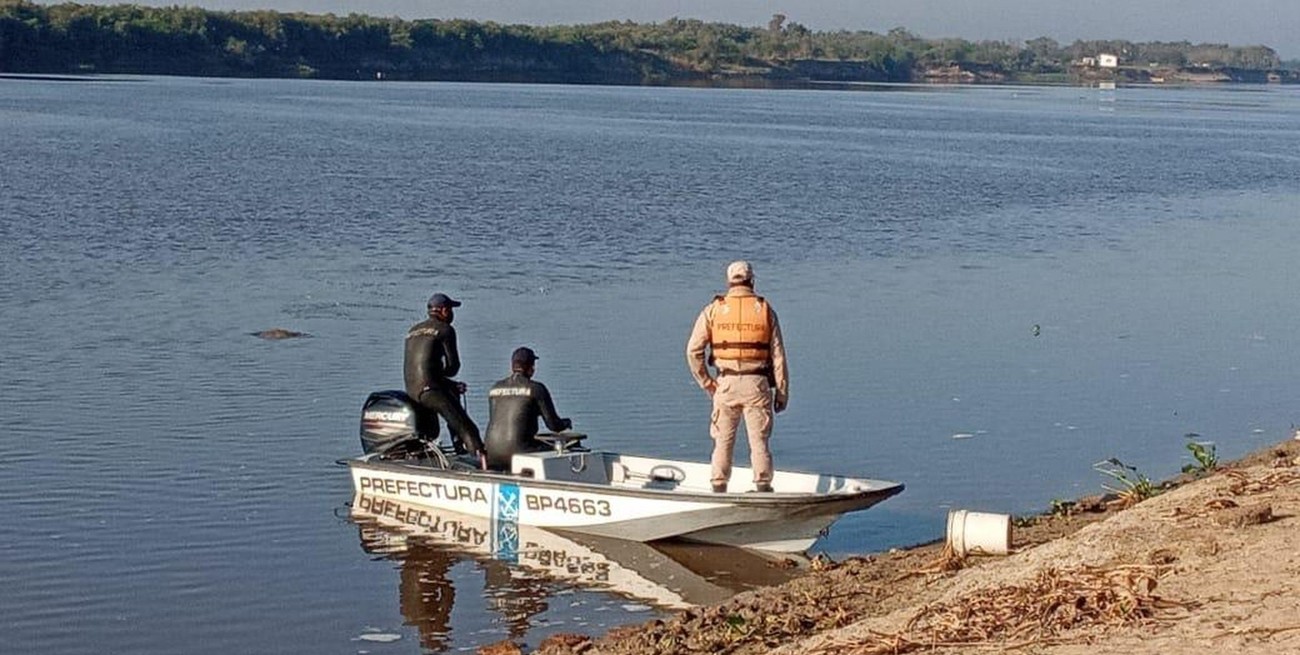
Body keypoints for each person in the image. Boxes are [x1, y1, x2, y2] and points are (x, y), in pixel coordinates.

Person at [686, 261, 789, 493]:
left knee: (722, 440)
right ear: (752, 280)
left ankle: (719, 487)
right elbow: (778, 356)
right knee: (759, 441)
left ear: (729, 281)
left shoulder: (713, 310)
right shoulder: (764, 309)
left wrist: (707, 382)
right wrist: (782, 392)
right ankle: (763, 486)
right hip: (757, 384)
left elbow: (693, 351)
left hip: (725, 383)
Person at [404, 292, 485, 463]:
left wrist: (450, 385)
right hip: (430, 390)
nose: (452, 314)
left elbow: (421, 369)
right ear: (443, 311)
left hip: (412, 390)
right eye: (450, 309)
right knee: (468, 428)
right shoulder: (445, 330)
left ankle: (459, 452)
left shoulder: (412, 331)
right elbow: (453, 367)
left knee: (451, 397)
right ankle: (483, 463)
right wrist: (447, 375)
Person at [483, 347, 573, 471]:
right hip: (520, 451)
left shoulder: (495, 388)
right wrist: (566, 423)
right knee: (567, 447)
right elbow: (553, 425)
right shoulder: (536, 389)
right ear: (531, 368)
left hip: (492, 452)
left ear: (512, 366)